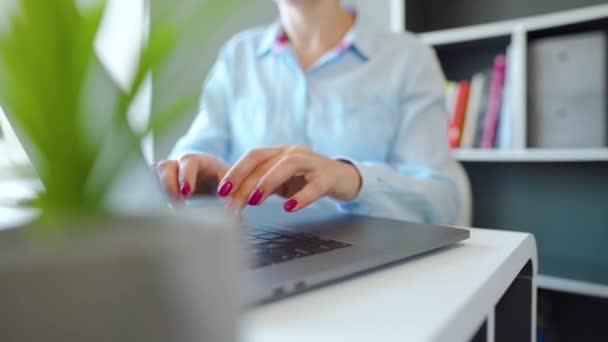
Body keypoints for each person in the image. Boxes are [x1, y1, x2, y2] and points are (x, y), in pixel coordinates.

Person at [155, 0, 463, 225]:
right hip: (252, 258)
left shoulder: (409, 58)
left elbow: (442, 199)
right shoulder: (238, 55)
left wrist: (350, 178)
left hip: (371, 261)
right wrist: (188, 172)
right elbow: (197, 147)